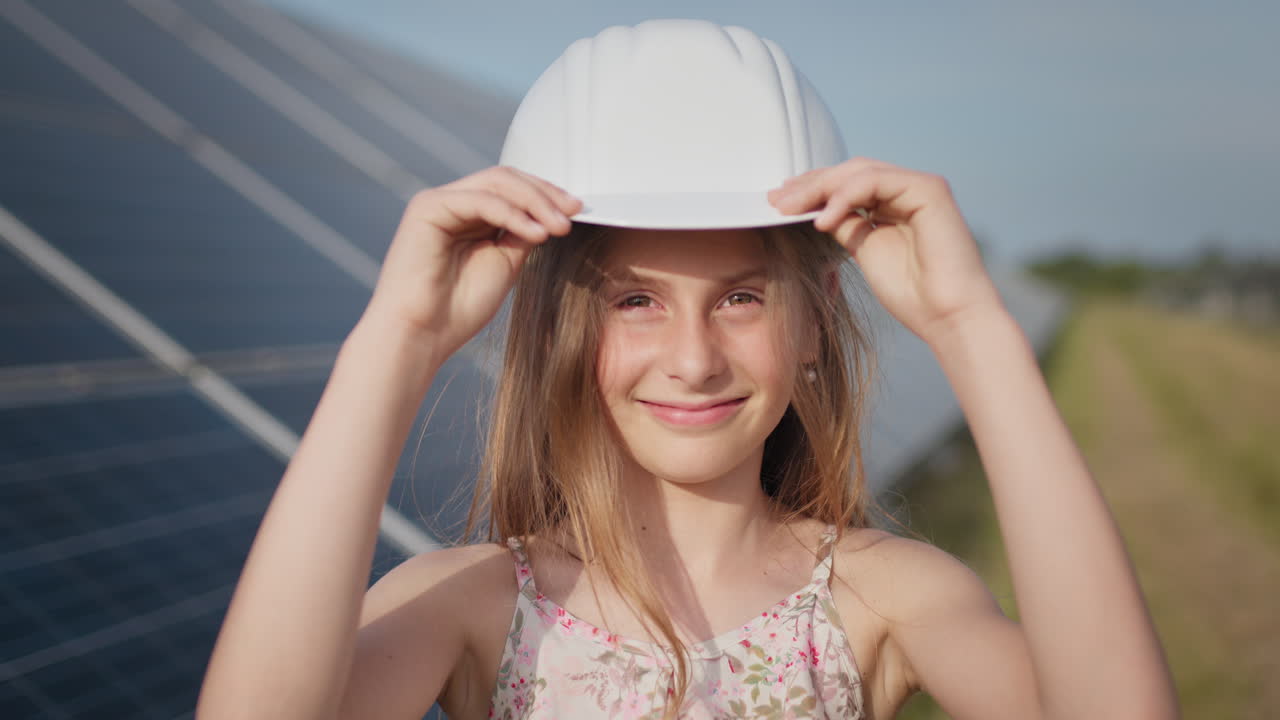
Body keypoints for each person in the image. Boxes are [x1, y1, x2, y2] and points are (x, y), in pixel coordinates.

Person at [196, 19, 1177, 720]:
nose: (694, 358)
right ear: (559, 331)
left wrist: (972, 328)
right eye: (634, 301)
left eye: (742, 298)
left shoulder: (885, 600)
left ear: (814, 320)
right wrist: (396, 339)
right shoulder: (473, 604)